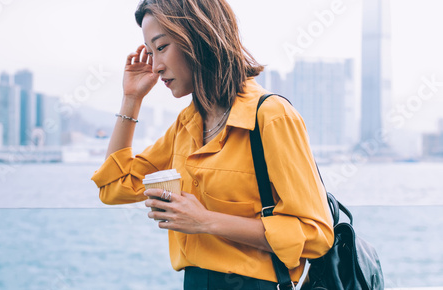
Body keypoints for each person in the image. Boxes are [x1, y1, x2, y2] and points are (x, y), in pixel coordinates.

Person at [91, 0, 334, 289]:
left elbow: (316, 234)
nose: (155, 66)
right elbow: (114, 186)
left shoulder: (271, 116)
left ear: (198, 38)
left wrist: (206, 221)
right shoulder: (188, 123)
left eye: (162, 47)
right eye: (150, 50)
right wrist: (131, 99)